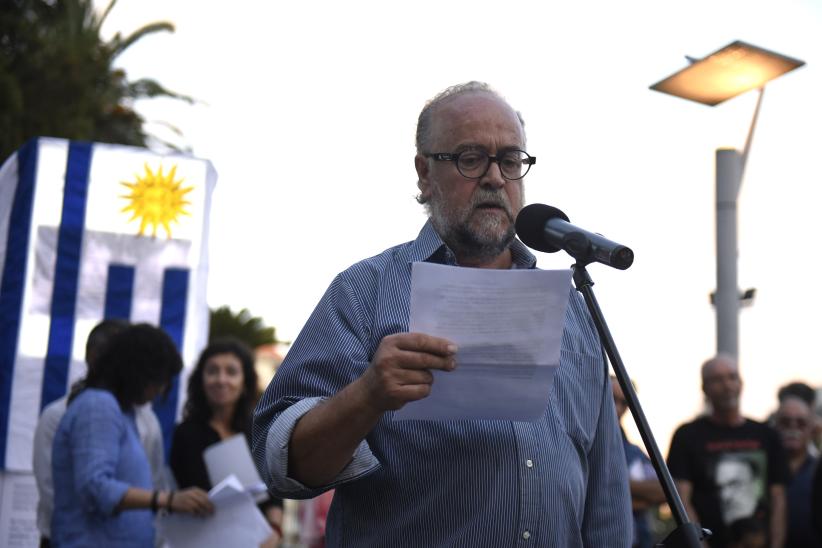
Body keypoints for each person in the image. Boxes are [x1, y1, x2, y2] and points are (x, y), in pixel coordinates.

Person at [252, 81, 632, 547]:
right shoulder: (365, 292)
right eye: (471, 158)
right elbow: (282, 465)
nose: (495, 177)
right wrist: (368, 395)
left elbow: (606, 497)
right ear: (424, 172)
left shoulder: (572, 310)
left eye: (510, 160)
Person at [50, 323, 214, 547]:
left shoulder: (122, 412)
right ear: (138, 371)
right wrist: (167, 500)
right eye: (160, 380)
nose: (161, 390)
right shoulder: (98, 406)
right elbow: (94, 487)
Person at [32, 319, 168, 548]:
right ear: (93, 358)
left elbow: (153, 479)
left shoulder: (143, 416)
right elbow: (55, 492)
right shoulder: (59, 414)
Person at [170, 337, 283, 545]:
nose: (221, 380)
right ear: (201, 380)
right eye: (212, 371)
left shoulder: (259, 431)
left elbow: (275, 491)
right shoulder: (185, 434)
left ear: (245, 382)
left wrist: (274, 531)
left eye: (231, 372)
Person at [667, 355, 788, 548]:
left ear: (741, 383)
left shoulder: (767, 435)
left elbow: (778, 498)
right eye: (717, 379)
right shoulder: (687, 436)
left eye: (732, 377)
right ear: (704, 388)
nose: (727, 385)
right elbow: (682, 499)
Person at [611, 376, 666, 548]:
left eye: (624, 402)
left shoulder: (633, 452)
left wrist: (611, 485)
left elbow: (664, 491)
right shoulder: (577, 443)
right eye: (611, 398)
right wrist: (639, 495)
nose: (617, 408)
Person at [773, 395, 820, 547]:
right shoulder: (764, 471)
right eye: (785, 422)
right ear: (775, 426)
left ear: (812, 429)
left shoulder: (818, 470)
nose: (793, 428)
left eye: (801, 423)